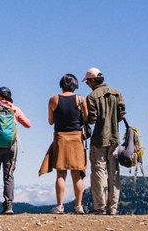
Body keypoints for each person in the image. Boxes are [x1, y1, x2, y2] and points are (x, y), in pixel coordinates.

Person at [37, 74, 87, 215]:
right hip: (77, 138)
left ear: (61, 84)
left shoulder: (54, 99)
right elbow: (87, 118)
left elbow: (50, 121)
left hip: (60, 138)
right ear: (75, 85)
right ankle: (79, 206)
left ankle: (59, 206)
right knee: (77, 174)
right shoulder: (81, 100)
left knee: (61, 173)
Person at [83, 67, 125, 216]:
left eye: (88, 81)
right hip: (114, 138)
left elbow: (92, 120)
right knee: (113, 173)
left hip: (99, 139)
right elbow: (121, 115)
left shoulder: (91, 97)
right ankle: (113, 208)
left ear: (93, 80)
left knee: (98, 172)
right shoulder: (117, 93)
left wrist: (84, 115)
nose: (87, 84)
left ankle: (100, 207)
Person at [0, 86, 31, 215]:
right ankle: (8, 206)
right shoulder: (15, 109)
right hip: (11, 146)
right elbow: (28, 124)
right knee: (9, 175)